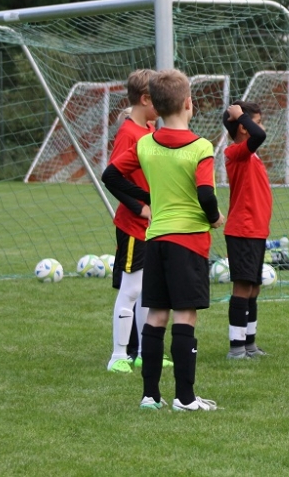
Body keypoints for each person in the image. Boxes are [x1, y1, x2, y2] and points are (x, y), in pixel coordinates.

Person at [102, 69, 225, 411]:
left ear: (155, 103)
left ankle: (150, 396)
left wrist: (146, 199)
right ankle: (185, 398)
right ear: (189, 103)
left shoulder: (145, 144)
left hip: (155, 240)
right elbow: (205, 194)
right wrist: (214, 218)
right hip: (188, 242)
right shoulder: (201, 147)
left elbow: (110, 174)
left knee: (156, 314)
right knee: (185, 315)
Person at [105, 70, 159, 373]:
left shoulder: (149, 129)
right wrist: (139, 206)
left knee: (146, 290)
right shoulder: (128, 133)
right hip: (132, 226)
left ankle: (141, 352)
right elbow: (113, 177)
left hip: (151, 227)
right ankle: (118, 356)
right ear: (145, 99)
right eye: (158, 100)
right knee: (130, 290)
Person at [222, 100, 272, 360]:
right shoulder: (236, 152)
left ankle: (250, 344)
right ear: (243, 127)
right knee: (242, 288)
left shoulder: (249, 154)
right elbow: (259, 134)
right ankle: (236, 347)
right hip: (242, 230)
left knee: (253, 288)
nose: (261, 126)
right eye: (256, 120)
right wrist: (241, 115)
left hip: (256, 231)